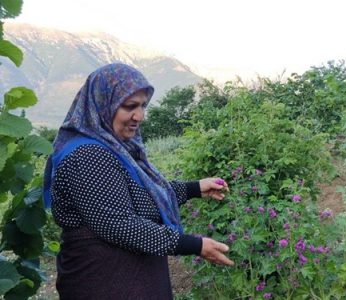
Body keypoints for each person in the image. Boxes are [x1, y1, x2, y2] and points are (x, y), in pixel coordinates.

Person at [43, 63, 234, 300]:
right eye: (129, 106)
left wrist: (194, 188)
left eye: (143, 105)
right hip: (103, 282)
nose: (140, 116)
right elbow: (119, 224)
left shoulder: (113, 147)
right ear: (103, 104)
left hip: (124, 278)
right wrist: (194, 245)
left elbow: (138, 194)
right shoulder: (87, 156)